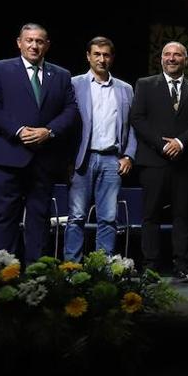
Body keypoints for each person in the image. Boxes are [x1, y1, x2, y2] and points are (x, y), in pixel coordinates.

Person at [0, 23, 79, 262]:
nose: (34, 45)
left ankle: (36, 275)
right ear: (19, 42)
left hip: (44, 158)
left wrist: (49, 131)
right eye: (29, 40)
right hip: (7, 156)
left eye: (39, 41)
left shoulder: (62, 75)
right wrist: (18, 130)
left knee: (40, 217)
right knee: (5, 217)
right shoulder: (0, 69)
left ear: (47, 45)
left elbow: (71, 109)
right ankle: (5, 272)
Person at [128, 41, 188, 282]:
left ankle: (182, 267)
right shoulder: (145, 84)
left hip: (184, 164)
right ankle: (150, 268)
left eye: (177, 55)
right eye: (167, 54)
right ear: (161, 58)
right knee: (150, 216)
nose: (171, 58)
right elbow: (137, 118)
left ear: (186, 60)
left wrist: (180, 142)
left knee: (183, 216)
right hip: (153, 161)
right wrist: (162, 145)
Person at [64, 36, 136, 261]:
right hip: (82, 159)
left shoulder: (125, 89)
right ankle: (71, 267)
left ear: (112, 58)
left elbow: (133, 126)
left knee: (108, 218)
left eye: (106, 55)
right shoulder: (74, 84)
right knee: (76, 216)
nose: (101, 59)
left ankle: (102, 266)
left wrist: (128, 156)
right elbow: (65, 123)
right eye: (97, 54)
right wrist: (66, 159)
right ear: (88, 56)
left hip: (111, 159)